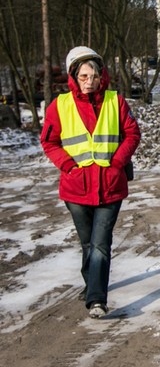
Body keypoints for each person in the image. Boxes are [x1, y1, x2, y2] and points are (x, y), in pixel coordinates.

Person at [40, 46, 141, 319]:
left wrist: (117, 163)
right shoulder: (59, 106)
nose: (89, 81)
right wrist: (69, 166)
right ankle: (91, 284)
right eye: (84, 76)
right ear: (74, 76)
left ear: (101, 76)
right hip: (76, 189)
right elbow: (48, 141)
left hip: (110, 186)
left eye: (94, 76)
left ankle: (96, 299)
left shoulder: (115, 101)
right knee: (87, 244)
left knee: (99, 244)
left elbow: (132, 134)